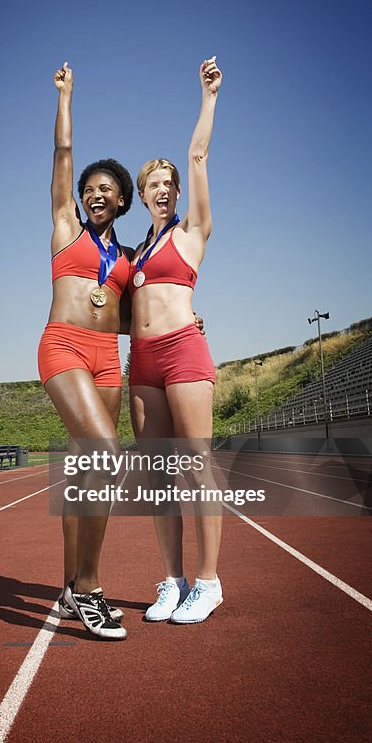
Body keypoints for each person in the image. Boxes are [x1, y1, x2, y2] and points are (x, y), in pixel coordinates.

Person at [38, 61, 133, 641]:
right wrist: (67, 97)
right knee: (107, 456)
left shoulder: (126, 258)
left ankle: (70, 588)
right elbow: (64, 151)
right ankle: (93, 589)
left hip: (107, 358)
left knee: (82, 474)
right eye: (89, 190)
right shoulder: (63, 227)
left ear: (122, 203)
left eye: (107, 191)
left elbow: (128, 318)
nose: (96, 195)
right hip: (63, 347)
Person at [129, 55, 223, 624]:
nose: (164, 191)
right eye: (154, 186)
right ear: (142, 196)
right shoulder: (137, 252)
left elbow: (198, 153)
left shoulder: (192, 231)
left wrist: (208, 96)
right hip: (141, 362)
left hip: (183, 353)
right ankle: (172, 580)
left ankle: (209, 583)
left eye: (170, 185)